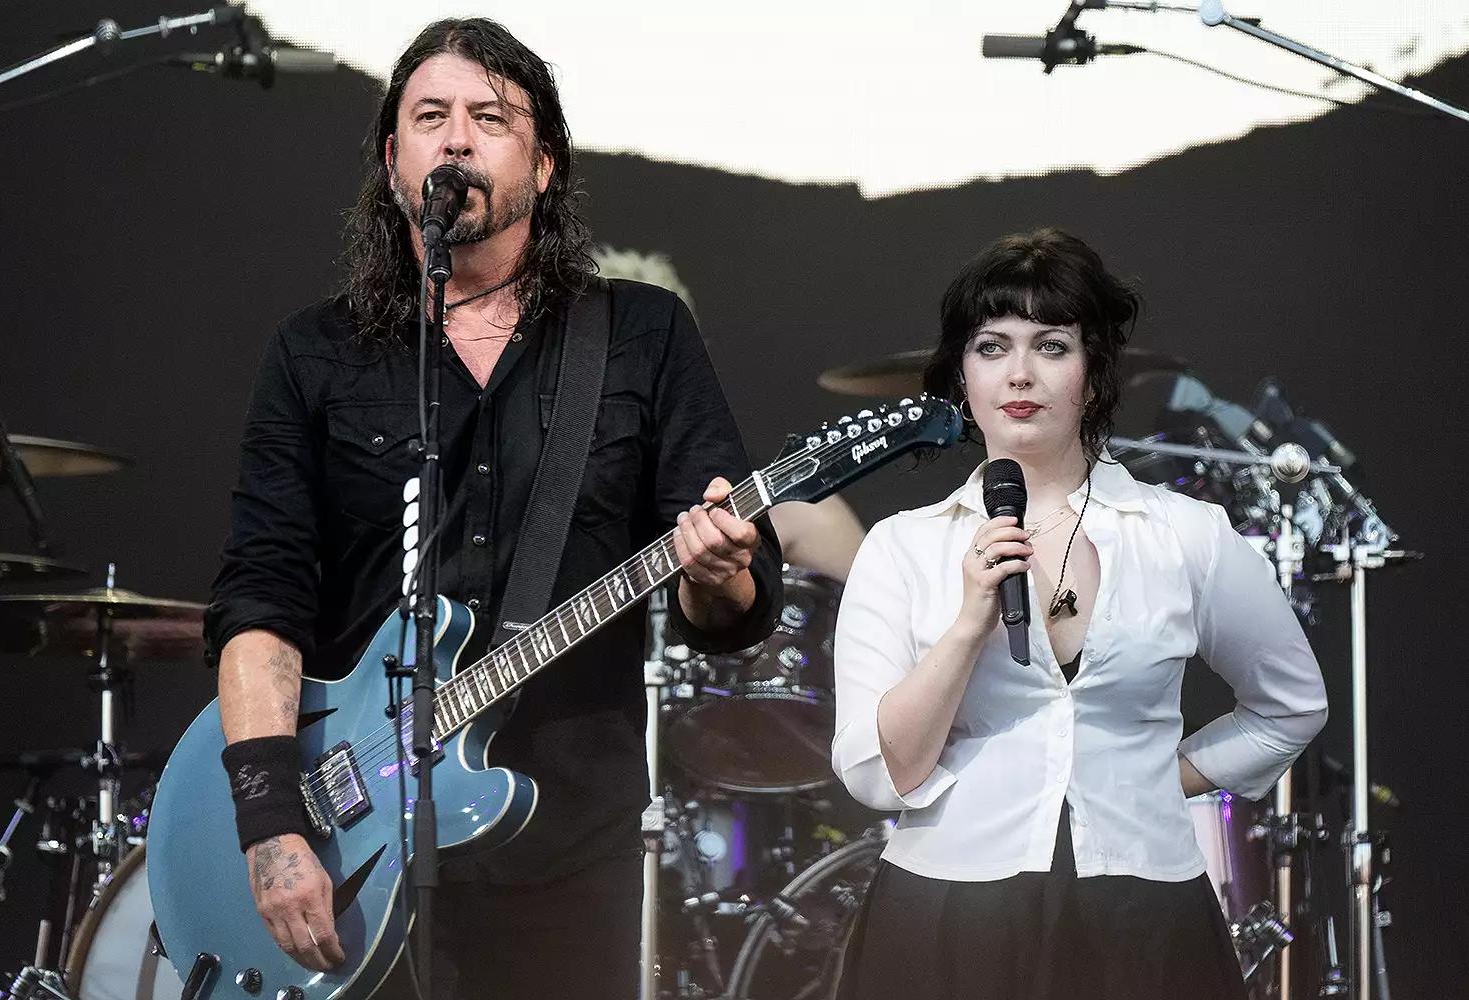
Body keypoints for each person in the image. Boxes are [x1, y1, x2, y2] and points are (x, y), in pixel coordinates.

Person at [203, 18, 782, 999]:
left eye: (491, 117)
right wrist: (269, 824)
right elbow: (261, 600)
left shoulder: (640, 334)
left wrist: (719, 575)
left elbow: (733, 606)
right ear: (392, 160)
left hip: (569, 850)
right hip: (357, 858)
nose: (457, 139)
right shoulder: (315, 354)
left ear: (544, 165)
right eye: (430, 116)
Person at [830, 228, 1327, 999]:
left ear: (1093, 376)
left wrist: (1154, 777)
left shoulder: (1186, 534)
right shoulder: (904, 547)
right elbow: (880, 773)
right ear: (962, 377)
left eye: (1052, 346)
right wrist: (968, 625)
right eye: (992, 347)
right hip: (947, 913)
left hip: (1146, 914)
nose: (1019, 373)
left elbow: (1290, 705)